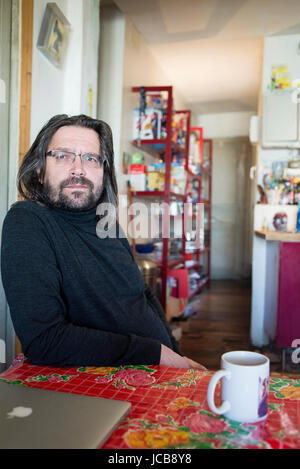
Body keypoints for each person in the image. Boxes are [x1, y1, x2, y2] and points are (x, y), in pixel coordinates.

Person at [1, 114, 205, 370]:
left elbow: (141, 295)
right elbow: (45, 340)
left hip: (164, 367)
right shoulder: (28, 222)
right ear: (40, 169)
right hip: (110, 384)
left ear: (102, 171)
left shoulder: (105, 220)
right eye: (63, 156)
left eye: (91, 158)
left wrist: (174, 351)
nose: (78, 168)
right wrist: (157, 354)